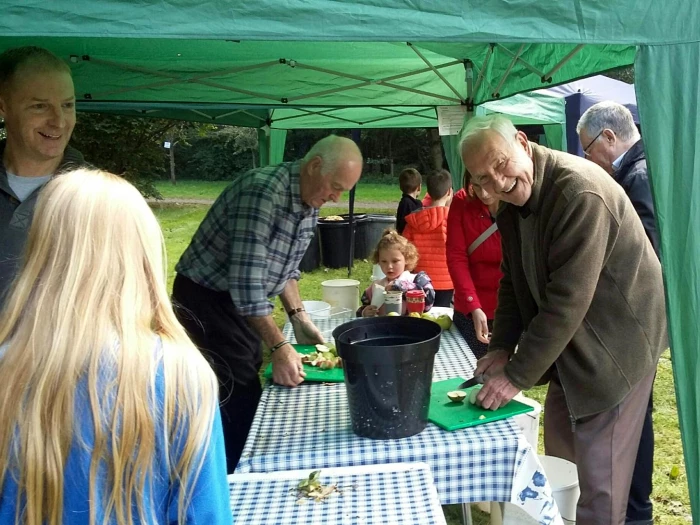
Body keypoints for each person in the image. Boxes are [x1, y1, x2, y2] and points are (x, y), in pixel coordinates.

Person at [462, 115, 666, 525]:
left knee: (600, 477)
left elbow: (566, 302)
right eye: (482, 179)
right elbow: (513, 281)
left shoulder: (578, 192)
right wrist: (501, 347)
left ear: (522, 142)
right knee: (559, 453)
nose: (496, 184)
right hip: (573, 336)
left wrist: (514, 376)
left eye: (500, 165)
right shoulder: (512, 204)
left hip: (619, 343)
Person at [0, 169, 230, 525]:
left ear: (40, 252)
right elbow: (206, 515)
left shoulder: (7, 368)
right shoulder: (179, 375)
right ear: (142, 255)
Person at [172, 135, 362, 472]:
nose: (335, 197)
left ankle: (235, 463)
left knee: (247, 373)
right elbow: (246, 285)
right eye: (335, 186)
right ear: (314, 165)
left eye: (342, 191)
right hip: (205, 299)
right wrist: (279, 344)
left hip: (236, 299)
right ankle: (230, 478)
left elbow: (285, 269)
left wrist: (298, 316)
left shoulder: (308, 202)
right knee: (235, 393)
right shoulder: (263, 193)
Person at [577, 101, 658, 525]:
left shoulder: (638, 175)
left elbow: (645, 252)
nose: (588, 159)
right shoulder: (640, 168)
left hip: (636, 322)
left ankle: (637, 511)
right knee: (632, 417)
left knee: (634, 418)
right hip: (634, 320)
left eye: (588, 149)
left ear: (609, 137)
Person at [0, 46, 84, 307]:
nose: (58, 121)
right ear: (3, 107)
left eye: (67, 105)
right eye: (40, 106)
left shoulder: (94, 197)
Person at [446, 170, 502, 360]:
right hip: (471, 307)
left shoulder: (516, 202)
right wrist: (473, 305)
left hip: (510, 307)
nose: (483, 193)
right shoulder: (461, 203)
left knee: (509, 376)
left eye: (488, 185)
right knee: (472, 370)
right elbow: (456, 258)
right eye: (476, 186)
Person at [403, 169, 454, 307]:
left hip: (419, 280)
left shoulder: (413, 221)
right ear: (449, 192)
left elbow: (404, 251)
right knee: (441, 317)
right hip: (446, 281)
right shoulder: (453, 220)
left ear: (428, 193)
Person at [357, 229, 435, 317]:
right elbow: (362, 309)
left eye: (395, 261)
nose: (389, 266)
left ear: (407, 259)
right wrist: (364, 312)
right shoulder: (374, 288)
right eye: (384, 261)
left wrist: (401, 286)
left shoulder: (417, 279)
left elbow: (429, 302)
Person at [395, 167, 422, 234]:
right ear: (419, 187)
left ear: (400, 187)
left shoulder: (404, 203)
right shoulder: (418, 205)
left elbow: (400, 226)